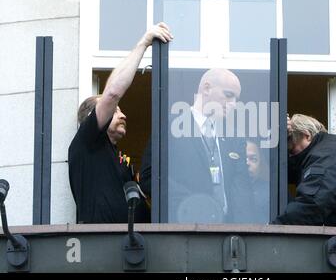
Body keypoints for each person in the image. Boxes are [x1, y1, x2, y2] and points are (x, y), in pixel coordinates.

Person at [68, 23, 173, 223]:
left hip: (133, 245)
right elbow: (113, 93)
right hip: (102, 244)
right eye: (115, 111)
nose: (123, 115)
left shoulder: (114, 155)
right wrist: (144, 43)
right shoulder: (87, 143)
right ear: (92, 117)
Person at [140, 68, 255, 223]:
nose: (233, 104)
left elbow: (242, 190)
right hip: (184, 228)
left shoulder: (234, 137)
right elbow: (150, 177)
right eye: (228, 95)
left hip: (228, 233)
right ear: (206, 88)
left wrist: (246, 230)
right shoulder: (170, 127)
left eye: (236, 99)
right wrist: (193, 205)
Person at [246, 139, 270, 224]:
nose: (247, 163)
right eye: (243, 158)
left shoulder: (271, 192)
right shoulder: (226, 193)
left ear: (260, 165)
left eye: (253, 159)